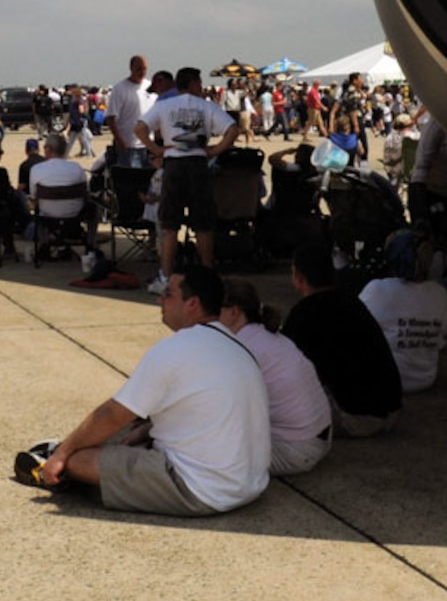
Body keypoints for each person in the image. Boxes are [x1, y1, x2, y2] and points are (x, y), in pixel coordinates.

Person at [24, 265, 271, 516]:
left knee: (78, 460)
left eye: (169, 294)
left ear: (193, 304)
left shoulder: (175, 349)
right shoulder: (237, 346)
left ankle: (55, 470)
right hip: (250, 484)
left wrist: (62, 453)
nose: (160, 300)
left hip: (202, 490)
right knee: (124, 439)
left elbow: (112, 415)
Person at [280, 240, 404, 436]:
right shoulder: (353, 303)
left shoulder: (303, 315)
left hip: (355, 417)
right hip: (391, 410)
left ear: (298, 277)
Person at [135, 66, 239, 295]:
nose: (201, 87)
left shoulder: (164, 106)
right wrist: (214, 150)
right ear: (192, 84)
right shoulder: (206, 106)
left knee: (170, 224)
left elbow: (140, 128)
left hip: (173, 164)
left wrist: (157, 150)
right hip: (197, 164)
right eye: (199, 83)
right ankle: (207, 274)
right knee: (203, 223)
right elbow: (232, 129)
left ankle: (165, 276)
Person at [215, 276, 331, 476]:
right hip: (313, 440)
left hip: (295, 449)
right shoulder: (265, 336)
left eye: (213, 310)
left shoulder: (241, 348)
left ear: (233, 312)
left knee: (196, 450)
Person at [357, 229, 447, 393]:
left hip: (381, 378)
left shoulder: (378, 289)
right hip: (425, 379)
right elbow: (445, 331)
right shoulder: (439, 292)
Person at [28, 133, 98, 249]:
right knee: (94, 207)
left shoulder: (37, 169)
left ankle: (43, 244)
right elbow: (86, 192)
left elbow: (33, 194)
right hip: (75, 215)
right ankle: (91, 243)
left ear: (48, 150)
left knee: (37, 206)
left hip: (47, 215)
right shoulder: (77, 168)